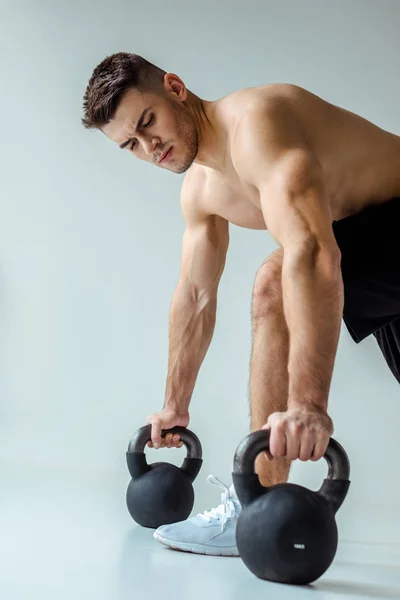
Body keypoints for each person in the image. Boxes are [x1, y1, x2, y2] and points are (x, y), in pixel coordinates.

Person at [82, 53, 400, 556]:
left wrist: (308, 410)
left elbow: (313, 252)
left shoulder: (257, 125)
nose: (150, 146)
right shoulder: (201, 191)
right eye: (130, 145)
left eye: (147, 121)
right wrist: (174, 402)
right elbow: (195, 294)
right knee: (273, 284)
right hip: (382, 248)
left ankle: (260, 500)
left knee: (273, 283)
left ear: (175, 87)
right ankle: (260, 504)